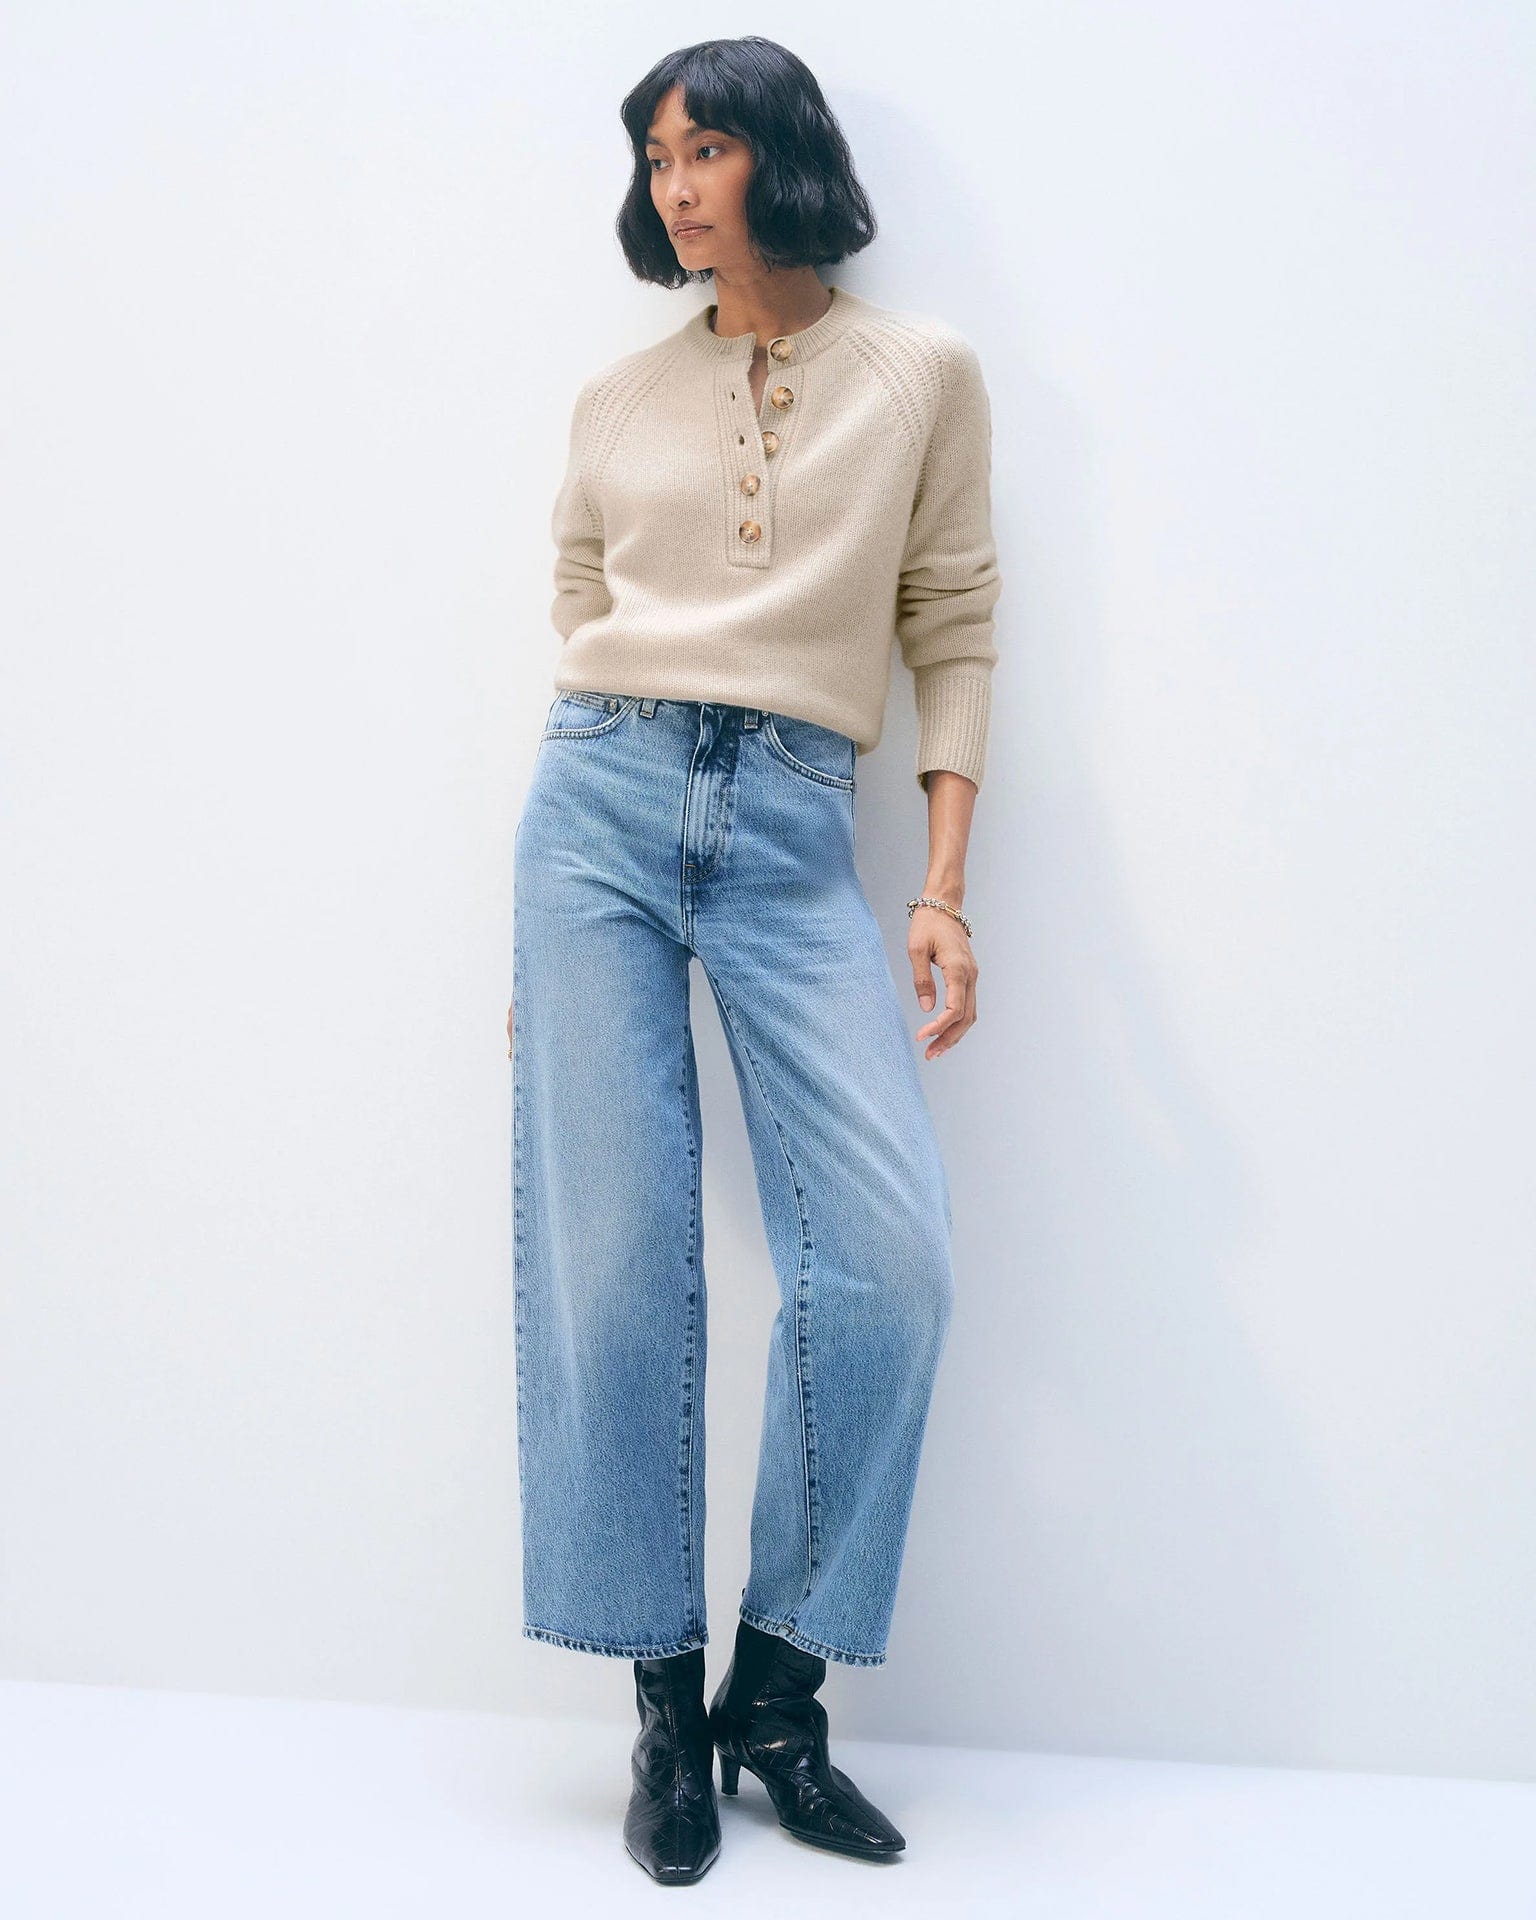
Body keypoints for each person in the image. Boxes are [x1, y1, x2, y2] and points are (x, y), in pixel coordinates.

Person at [506, 35, 1001, 1884]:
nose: (677, 184)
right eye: (655, 156)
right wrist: (543, 966)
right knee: (619, 1277)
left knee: (889, 1265)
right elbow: (578, 620)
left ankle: (775, 1703)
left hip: (801, 826)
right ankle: (663, 1710)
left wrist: (941, 885)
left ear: (780, 156)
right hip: (597, 820)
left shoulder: (920, 375)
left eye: (706, 145)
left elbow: (953, 616)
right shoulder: (614, 399)